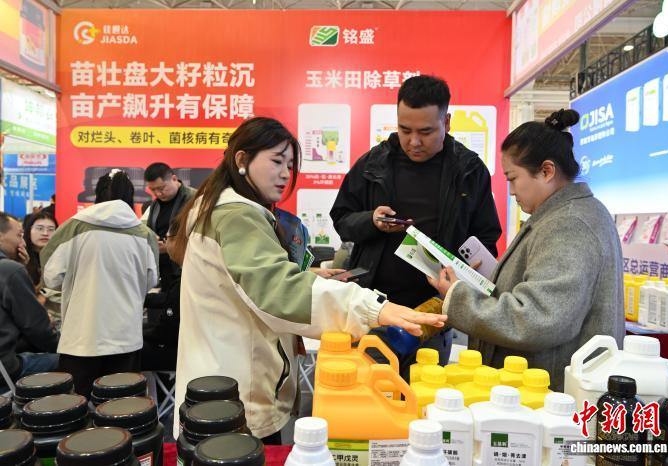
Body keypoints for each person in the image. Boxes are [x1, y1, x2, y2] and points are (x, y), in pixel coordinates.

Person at [172, 117, 447, 444]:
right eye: (276, 161)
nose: (285, 173)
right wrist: (372, 308)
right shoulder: (238, 216)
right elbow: (277, 291)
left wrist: (309, 278)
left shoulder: (216, 206)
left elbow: (240, 282)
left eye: (290, 165)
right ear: (242, 159)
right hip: (237, 395)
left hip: (218, 390)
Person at [429, 109, 624, 391]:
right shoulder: (562, 215)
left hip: (548, 393)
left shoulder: (569, 224)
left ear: (546, 171)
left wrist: (458, 297)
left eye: (512, 178)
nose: (510, 191)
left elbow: (539, 319)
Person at [330, 75, 502, 371]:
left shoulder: (469, 171)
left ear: (446, 122)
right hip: (374, 309)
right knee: (369, 393)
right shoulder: (373, 164)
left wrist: (467, 274)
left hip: (432, 314)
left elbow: (486, 236)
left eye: (426, 131)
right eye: (404, 130)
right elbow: (342, 220)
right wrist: (370, 221)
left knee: (426, 395)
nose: (414, 142)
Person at [41, 171, 159, 397]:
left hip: (81, 336)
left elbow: (51, 276)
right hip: (126, 338)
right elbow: (150, 282)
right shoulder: (145, 235)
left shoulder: (73, 227)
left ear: (97, 194)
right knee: (120, 405)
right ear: (131, 197)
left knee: (74, 405)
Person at [140, 163, 196, 371]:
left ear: (174, 178)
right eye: (153, 190)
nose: (158, 193)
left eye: (161, 188)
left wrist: (173, 246)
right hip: (165, 273)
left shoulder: (194, 200)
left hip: (187, 271)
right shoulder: (154, 206)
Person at [0, 212, 59, 380]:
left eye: (51, 229)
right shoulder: (10, 270)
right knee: (74, 361)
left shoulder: (13, 267)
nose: (22, 242)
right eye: (19, 235)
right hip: (7, 365)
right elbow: (37, 328)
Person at [23, 211, 58, 288]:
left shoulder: (61, 257)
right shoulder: (20, 255)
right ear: (29, 231)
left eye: (51, 229)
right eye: (40, 228)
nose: (45, 233)